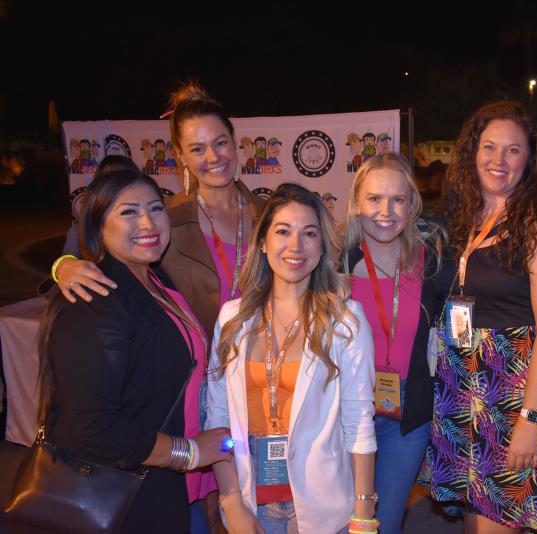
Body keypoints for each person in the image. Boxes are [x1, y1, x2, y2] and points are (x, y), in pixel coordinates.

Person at [52, 81, 265, 532]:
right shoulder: (170, 219)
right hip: (189, 406)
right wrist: (63, 266)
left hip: (262, 386)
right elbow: (99, 261)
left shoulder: (270, 216)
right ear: (180, 157)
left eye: (220, 142)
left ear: (236, 142)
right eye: (197, 148)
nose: (213, 156)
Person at [36, 168, 232, 532]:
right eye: (129, 212)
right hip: (122, 496)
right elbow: (93, 425)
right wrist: (188, 453)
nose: (148, 222)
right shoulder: (95, 300)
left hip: (168, 485)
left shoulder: (154, 278)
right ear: (98, 227)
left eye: (156, 208)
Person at [424, 101, 537, 533]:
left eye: (513, 150)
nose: (499, 159)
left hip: (514, 391)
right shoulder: (463, 219)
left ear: (530, 159)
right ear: (472, 152)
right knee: (476, 522)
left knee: (503, 517)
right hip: (464, 386)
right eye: (490, 147)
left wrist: (530, 420)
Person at [207, 183, 377, 534]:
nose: (296, 245)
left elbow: (359, 423)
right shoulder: (232, 319)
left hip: (322, 503)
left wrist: (363, 514)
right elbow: (218, 419)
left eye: (309, 233)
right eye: (283, 231)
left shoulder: (346, 321)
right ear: (263, 242)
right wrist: (231, 499)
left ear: (322, 246)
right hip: (251, 498)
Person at [342, 152, 449, 533]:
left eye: (397, 199)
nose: (385, 211)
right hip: (348, 411)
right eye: (374, 198)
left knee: (381, 524)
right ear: (357, 203)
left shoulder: (433, 260)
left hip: (408, 414)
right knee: (342, 519)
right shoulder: (336, 263)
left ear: (411, 205)